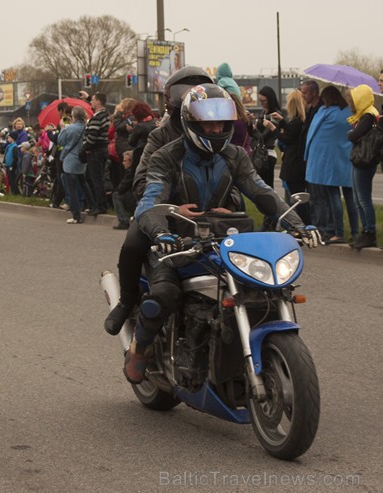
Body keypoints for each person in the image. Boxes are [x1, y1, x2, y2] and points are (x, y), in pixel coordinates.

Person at [123, 84, 322, 384]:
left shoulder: (234, 156)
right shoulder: (167, 156)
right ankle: (139, 349)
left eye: (221, 123)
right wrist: (162, 230)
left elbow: (262, 192)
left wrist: (296, 223)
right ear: (192, 122)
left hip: (219, 240)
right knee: (164, 294)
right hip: (174, 243)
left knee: (260, 287)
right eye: (208, 123)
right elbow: (149, 200)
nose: (216, 129)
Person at [105, 67, 214, 337]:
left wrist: (230, 203)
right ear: (172, 100)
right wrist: (171, 207)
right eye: (185, 92)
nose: (190, 99)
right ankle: (127, 299)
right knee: (133, 242)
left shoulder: (215, 134)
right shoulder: (159, 136)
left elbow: (234, 178)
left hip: (206, 215)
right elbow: (141, 182)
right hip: (163, 213)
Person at [304, 86, 357, 244]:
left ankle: (338, 233)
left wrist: (307, 156)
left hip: (328, 163)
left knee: (334, 196)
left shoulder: (324, 112)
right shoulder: (350, 112)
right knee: (350, 197)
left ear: (326, 98)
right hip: (347, 159)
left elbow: (311, 135)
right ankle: (355, 232)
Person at [346, 84, 379, 250]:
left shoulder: (368, 115)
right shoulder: (363, 115)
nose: (352, 102)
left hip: (365, 161)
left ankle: (369, 232)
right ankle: (364, 231)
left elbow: (353, 135)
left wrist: (350, 133)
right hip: (360, 159)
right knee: (358, 199)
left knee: (363, 199)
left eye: (353, 99)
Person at [271, 89, 310, 224]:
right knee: (296, 197)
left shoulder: (297, 122)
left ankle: (299, 224)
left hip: (293, 164)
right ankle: (300, 223)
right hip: (298, 164)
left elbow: (287, 138)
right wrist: (282, 122)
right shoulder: (301, 121)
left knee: (294, 200)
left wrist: (273, 129)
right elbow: (291, 132)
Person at [58, 105, 93, 224]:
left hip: (70, 161)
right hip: (82, 160)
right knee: (84, 183)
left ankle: (76, 215)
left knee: (71, 189)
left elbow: (61, 141)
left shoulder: (70, 128)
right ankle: (92, 206)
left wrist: (62, 128)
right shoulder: (86, 127)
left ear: (73, 116)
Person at [253, 86, 282, 230]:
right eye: (260, 101)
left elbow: (267, 136)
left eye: (264, 101)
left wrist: (264, 126)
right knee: (263, 188)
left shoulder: (275, 115)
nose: (262, 103)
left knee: (267, 189)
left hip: (268, 154)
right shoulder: (263, 113)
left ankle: (272, 219)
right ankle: (269, 218)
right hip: (261, 153)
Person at [81, 92, 110, 215]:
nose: (91, 102)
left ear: (98, 102)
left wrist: (85, 148)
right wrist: (88, 97)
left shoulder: (97, 117)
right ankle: (97, 204)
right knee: (94, 178)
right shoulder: (104, 115)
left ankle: (100, 205)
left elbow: (92, 136)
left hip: (95, 151)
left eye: (92, 100)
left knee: (96, 180)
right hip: (100, 150)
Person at [112, 150, 136, 230]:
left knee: (116, 195)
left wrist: (117, 189)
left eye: (125, 161)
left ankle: (123, 221)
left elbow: (121, 188)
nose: (123, 163)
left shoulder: (130, 172)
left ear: (131, 162)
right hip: (134, 197)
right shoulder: (134, 171)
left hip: (133, 198)